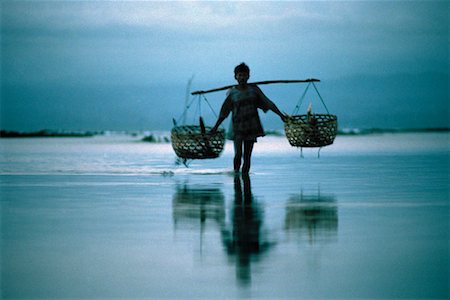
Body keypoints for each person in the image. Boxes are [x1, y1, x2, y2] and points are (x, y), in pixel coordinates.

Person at [210, 63, 286, 174]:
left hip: (252, 125)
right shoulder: (232, 92)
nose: (242, 78)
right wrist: (215, 127)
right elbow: (224, 111)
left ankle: (245, 178)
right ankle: (236, 174)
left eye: (244, 75)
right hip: (237, 126)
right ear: (235, 77)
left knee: (247, 157)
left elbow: (268, 103)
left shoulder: (254, 90)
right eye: (240, 75)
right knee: (238, 154)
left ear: (248, 76)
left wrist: (281, 115)